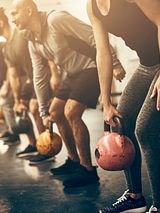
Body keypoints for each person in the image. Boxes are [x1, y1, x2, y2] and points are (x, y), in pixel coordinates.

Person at [87, 0, 160, 212]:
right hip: (147, 66)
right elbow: (103, 53)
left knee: (146, 131)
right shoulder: (92, 7)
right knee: (120, 123)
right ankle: (135, 197)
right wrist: (106, 102)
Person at [10, 0, 125, 187]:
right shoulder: (33, 41)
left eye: (14, 13)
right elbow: (39, 76)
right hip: (72, 73)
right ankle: (73, 160)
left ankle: (87, 169)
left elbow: (95, 36)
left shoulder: (56, 20)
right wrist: (43, 111)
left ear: (29, 10)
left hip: (92, 67)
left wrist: (114, 62)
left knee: (71, 112)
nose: (12, 19)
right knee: (55, 113)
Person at [0, 9, 58, 163]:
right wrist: (17, 101)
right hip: (31, 80)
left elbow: (45, 50)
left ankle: (45, 148)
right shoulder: (7, 48)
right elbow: (13, 75)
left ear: (0, 23)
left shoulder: (21, 34)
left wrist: (54, 74)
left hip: (43, 75)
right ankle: (33, 143)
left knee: (34, 107)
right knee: (22, 107)